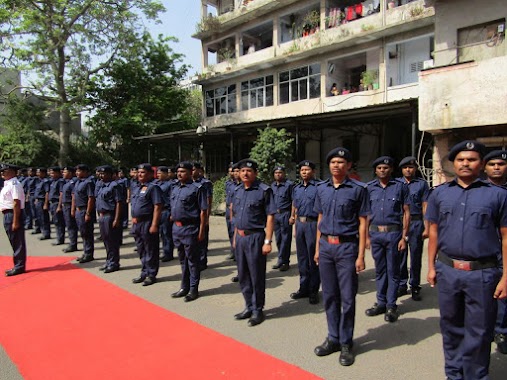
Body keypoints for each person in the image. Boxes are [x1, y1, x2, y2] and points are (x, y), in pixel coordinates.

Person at [426, 140, 507, 379]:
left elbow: (505, 237)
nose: (465, 163)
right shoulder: (440, 193)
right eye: (460, 159)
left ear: (481, 164)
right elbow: (433, 232)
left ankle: (475, 375)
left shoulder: (498, 195)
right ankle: (454, 373)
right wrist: (430, 267)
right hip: (448, 270)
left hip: (482, 274)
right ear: (453, 163)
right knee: (450, 327)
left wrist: (505, 277)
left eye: (471, 159)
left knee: (479, 331)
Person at [312, 148, 369, 366]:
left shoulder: (357, 189)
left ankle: (346, 343)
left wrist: (361, 255)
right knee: (329, 295)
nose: (336, 165)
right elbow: (320, 217)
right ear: (329, 165)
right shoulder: (322, 189)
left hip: (347, 248)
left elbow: (363, 223)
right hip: (326, 246)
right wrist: (318, 248)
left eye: (341, 162)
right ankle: (333, 338)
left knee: (347, 297)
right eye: (333, 162)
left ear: (348, 166)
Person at [365, 156, 410, 323]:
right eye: (379, 168)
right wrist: (367, 238)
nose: (382, 170)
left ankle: (391, 305)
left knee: (393, 271)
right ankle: (381, 302)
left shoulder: (400, 187)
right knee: (380, 270)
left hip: (394, 234)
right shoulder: (369, 188)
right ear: (375, 170)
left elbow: (406, 212)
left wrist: (404, 237)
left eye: (385, 167)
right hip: (376, 234)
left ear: (391, 169)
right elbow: (366, 214)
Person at [231, 159, 275, 327]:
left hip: (255, 237)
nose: (245, 174)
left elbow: (271, 217)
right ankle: (248, 306)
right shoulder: (238, 190)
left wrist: (267, 241)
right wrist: (235, 237)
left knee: (256, 275)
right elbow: (236, 216)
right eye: (242, 171)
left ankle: (258, 309)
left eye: (249, 171)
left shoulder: (264, 190)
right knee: (243, 274)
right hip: (241, 237)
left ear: (255, 173)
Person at [170, 162, 208, 302]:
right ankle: (184, 287)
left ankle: (193, 289)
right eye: (178, 171)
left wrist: (202, 230)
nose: (179, 174)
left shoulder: (197, 188)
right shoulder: (175, 188)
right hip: (177, 228)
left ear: (191, 172)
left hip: (190, 228)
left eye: (183, 171)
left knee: (192, 261)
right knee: (182, 260)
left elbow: (203, 212)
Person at [483, 149, 507, 354]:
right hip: (486, 249)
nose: (497, 167)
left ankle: (501, 330)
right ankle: (487, 328)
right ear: (485, 168)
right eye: (492, 164)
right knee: (485, 290)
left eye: (501, 164)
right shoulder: (478, 191)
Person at [396, 156, 429, 301]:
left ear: (415, 169)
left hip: (416, 223)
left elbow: (425, 206)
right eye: (405, 168)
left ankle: (415, 285)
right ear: (401, 170)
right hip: (400, 224)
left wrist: (426, 227)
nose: (408, 170)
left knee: (416, 256)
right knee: (400, 255)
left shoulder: (422, 184)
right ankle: (402, 284)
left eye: (410, 167)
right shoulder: (396, 184)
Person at [289, 160, 320, 304]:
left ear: (313, 172)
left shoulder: (319, 187)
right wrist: (294, 220)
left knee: (313, 258)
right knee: (302, 259)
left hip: (313, 224)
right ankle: (303, 288)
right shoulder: (297, 188)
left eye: (307, 170)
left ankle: (313, 290)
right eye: (302, 170)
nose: (304, 172)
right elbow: (295, 205)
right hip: (300, 224)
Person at [130, 163, 163, 286]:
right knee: (141, 249)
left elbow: (158, 206)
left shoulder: (153, 187)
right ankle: (144, 271)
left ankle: (151, 274)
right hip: (137, 223)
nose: (139, 174)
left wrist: (154, 224)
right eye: (138, 172)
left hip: (147, 222)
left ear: (150, 174)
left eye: (142, 172)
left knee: (151, 249)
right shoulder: (137, 187)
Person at [1, 164, 27, 277]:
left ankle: (19, 266)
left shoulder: (14, 184)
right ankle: (17, 264)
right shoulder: (7, 183)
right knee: (14, 240)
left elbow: (16, 203)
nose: (2, 173)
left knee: (17, 241)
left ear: (12, 172)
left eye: (5, 171)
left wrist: (15, 221)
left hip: (13, 214)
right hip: (7, 214)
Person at [96, 165, 124, 273]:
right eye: (101, 173)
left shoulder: (114, 186)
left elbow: (118, 203)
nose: (102, 175)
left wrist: (116, 219)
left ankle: (114, 263)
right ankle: (109, 261)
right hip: (102, 216)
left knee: (112, 241)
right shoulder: (101, 185)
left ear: (110, 174)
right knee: (106, 240)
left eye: (104, 173)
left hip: (110, 215)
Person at [271, 166, 293, 272]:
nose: (278, 174)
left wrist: (292, 215)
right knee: (278, 238)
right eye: (276, 173)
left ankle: (285, 262)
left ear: (284, 174)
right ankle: (280, 259)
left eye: (280, 172)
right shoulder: (273, 186)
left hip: (285, 214)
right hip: (276, 215)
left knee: (286, 239)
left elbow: (294, 201)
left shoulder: (289, 185)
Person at [72, 164, 96, 263]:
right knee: (82, 232)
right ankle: (86, 251)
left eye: (79, 171)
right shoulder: (77, 182)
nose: (77, 173)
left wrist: (88, 213)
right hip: (78, 210)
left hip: (84, 210)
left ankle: (89, 254)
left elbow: (91, 198)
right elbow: (74, 196)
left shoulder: (88, 183)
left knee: (87, 233)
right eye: (76, 171)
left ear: (85, 172)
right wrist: (73, 209)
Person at [192, 162, 213, 271]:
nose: (192, 171)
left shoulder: (205, 183)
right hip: (192, 217)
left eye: (194, 169)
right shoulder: (188, 183)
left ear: (200, 170)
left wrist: (206, 218)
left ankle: (202, 261)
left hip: (202, 215)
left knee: (202, 240)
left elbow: (208, 201)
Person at [155, 166, 174, 262]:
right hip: (158, 211)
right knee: (161, 233)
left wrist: (172, 213)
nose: (158, 175)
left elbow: (172, 199)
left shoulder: (170, 184)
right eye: (157, 173)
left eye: (160, 173)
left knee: (167, 232)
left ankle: (168, 253)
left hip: (166, 210)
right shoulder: (156, 183)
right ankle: (163, 251)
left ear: (166, 174)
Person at [59, 166, 78, 253]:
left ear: (70, 173)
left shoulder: (72, 183)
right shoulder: (66, 183)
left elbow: (73, 196)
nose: (63, 173)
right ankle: (71, 243)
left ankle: (73, 244)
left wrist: (73, 209)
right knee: (68, 225)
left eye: (65, 172)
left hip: (70, 206)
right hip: (65, 206)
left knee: (71, 226)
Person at [48, 166, 66, 246]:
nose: (51, 174)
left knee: (59, 222)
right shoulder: (53, 181)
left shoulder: (60, 181)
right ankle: (58, 237)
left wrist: (59, 206)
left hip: (56, 203)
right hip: (52, 203)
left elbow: (61, 194)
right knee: (55, 221)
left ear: (58, 173)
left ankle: (60, 239)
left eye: (52, 173)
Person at [33, 167, 51, 240]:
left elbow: (47, 193)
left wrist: (46, 204)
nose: (37, 174)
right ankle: (43, 231)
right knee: (39, 217)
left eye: (39, 172)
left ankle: (46, 233)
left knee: (44, 218)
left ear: (43, 173)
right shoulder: (39, 181)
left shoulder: (46, 181)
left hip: (43, 201)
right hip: (38, 201)